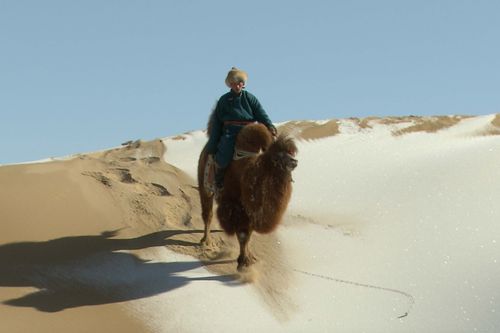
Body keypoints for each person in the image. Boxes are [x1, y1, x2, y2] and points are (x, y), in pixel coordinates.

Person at [206, 67, 277, 193]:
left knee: (270, 146)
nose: (237, 85)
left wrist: (269, 125)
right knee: (225, 150)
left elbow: (261, 113)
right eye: (234, 82)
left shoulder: (250, 98)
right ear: (230, 84)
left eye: (239, 82)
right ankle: (220, 179)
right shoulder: (224, 100)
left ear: (243, 84)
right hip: (231, 130)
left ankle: (273, 177)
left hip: (250, 129)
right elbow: (217, 121)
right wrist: (213, 142)